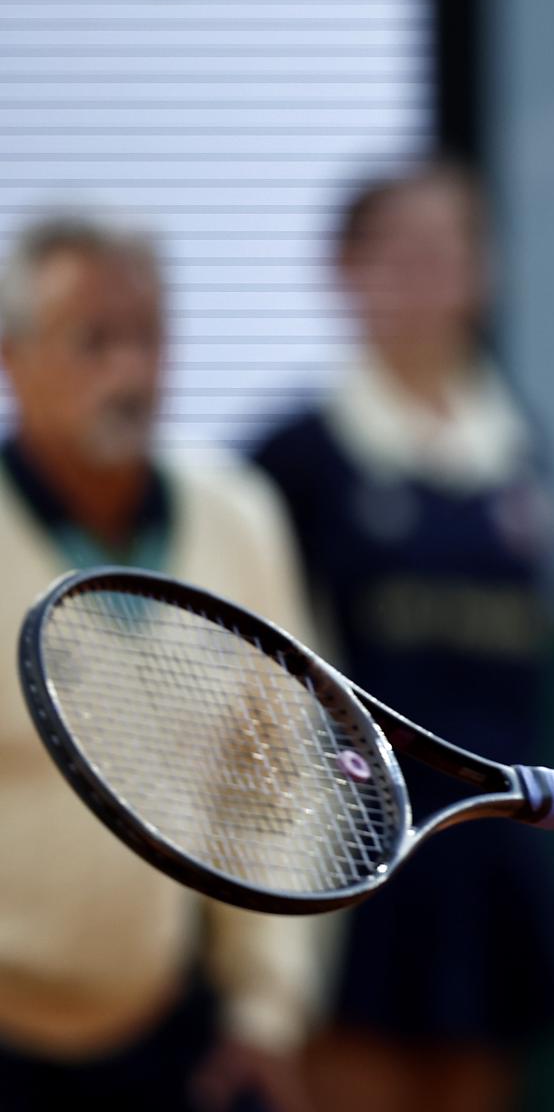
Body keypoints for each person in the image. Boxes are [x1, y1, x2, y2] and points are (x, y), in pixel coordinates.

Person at [250, 163, 554, 1112]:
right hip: (349, 865)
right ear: (344, 272)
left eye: (450, 250)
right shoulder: (291, 459)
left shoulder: (520, 451)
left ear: (485, 273)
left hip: (490, 857)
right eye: (398, 252)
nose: (427, 275)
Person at [0, 213, 320, 1111]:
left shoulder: (239, 517)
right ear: (13, 360)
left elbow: (276, 787)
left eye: (148, 338)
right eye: (92, 341)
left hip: (176, 1037)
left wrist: (266, 1009)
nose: (130, 373)